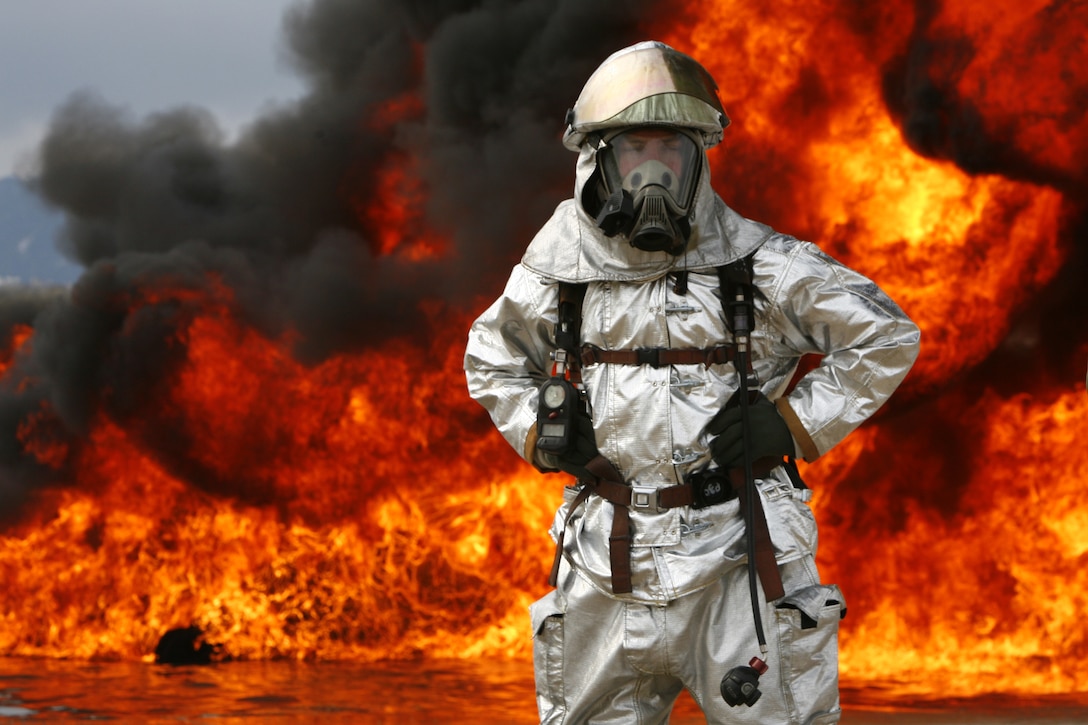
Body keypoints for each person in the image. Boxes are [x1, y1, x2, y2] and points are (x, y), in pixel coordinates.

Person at [464, 40, 920, 724]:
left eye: (670, 152)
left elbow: (885, 334)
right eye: (635, 151)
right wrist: (539, 427)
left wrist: (793, 423)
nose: (652, 173)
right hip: (605, 567)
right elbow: (490, 356)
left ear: (697, 162)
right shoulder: (558, 274)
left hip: (740, 562)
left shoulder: (761, 267)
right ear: (601, 161)